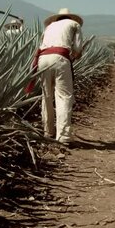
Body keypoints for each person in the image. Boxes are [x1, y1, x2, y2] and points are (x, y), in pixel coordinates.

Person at [37, 8, 84, 144]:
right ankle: (63, 136)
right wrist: (75, 55)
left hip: (43, 59)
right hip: (60, 59)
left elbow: (42, 45)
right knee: (63, 96)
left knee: (46, 95)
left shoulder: (50, 26)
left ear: (58, 18)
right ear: (69, 17)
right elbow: (78, 48)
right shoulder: (74, 24)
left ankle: (48, 131)